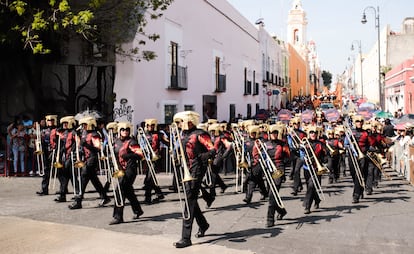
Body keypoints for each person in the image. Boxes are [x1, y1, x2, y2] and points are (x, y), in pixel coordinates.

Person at [173, 111, 216, 249]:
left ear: (189, 121)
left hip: (197, 168)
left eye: (181, 122)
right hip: (186, 169)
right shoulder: (183, 134)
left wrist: (202, 156)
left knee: (189, 200)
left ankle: (186, 238)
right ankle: (203, 224)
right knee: (190, 198)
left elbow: (212, 149)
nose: (179, 124)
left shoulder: (200, 133)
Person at [68, 116, 110, 209]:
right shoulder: (84, 132)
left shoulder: (95, 134)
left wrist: (86, 145)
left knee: (84, 177)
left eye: (85, 124)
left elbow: (98, 148)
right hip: (86, 158)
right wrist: (76, 134)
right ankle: (104, 196)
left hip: (92, 158)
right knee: (94, 179)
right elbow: (79, 143)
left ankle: (78, 201)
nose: (83, 126)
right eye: (82, 125)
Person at [109, 122, 144, 225]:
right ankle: (138, 210)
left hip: (130, 169)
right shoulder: (116, 141)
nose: (125, 131)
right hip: (120, 169)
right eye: (123, 129)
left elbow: (140, 155)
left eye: (127, 129)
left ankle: (118, 216)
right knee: (128, 191)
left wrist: (128, 155)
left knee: (119, 189)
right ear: (119, 131)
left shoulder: (132, 142)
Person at [265, 123, 288, 227]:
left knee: (272, 194)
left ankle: (270, 219)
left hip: (278, 169)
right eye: (272, 133)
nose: (273, 134)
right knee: (271, 193)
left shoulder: (282, 144)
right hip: (269, 169)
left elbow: (288, 157)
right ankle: (281, 210)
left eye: (275, 133)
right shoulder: (266, 144)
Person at [301, 125, 326, 214]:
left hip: (317, 167)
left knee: (311, 185)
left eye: (314, 132)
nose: (313, 134)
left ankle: (307, 206)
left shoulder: (321, 143)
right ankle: (317, 199)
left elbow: (324, 155)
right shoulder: (304, 143)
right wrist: (304, 158)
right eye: (311, 132)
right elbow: (301, 154)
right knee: (310, 187)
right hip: (307, 167)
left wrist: (324, 160)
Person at [141, 118, 165, 204]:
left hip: (155, 158)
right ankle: (159, 193)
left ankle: (148, 198)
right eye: (148, 125)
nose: (150, 127)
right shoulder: (143, 134)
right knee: (151, 178)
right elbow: (141, 145)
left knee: (149, 178)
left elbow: (167, 142)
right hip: (147, 158)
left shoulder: (159, 134)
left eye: (152, 125)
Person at [54, 116, 77, 202]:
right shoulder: (64, 132)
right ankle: (62, 195)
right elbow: (63, 144)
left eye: (66, 123)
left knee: (73, 177)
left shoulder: (74, 132)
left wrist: (73, 152)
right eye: (63, 123)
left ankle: (77, 193)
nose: (64, 125)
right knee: (64, 177)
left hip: (71, 156)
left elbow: (75, 144)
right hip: (65, 156)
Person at [36, 115, 57, 195]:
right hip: (46, 152)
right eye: (48, 121)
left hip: (54, 151)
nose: (50, 122)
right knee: (46, 171)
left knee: (61, 172)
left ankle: (64, 189)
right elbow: (42, 140)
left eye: (51, 120)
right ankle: (44, 189)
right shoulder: (44, 130)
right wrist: (39, 142)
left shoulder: (57, 130)